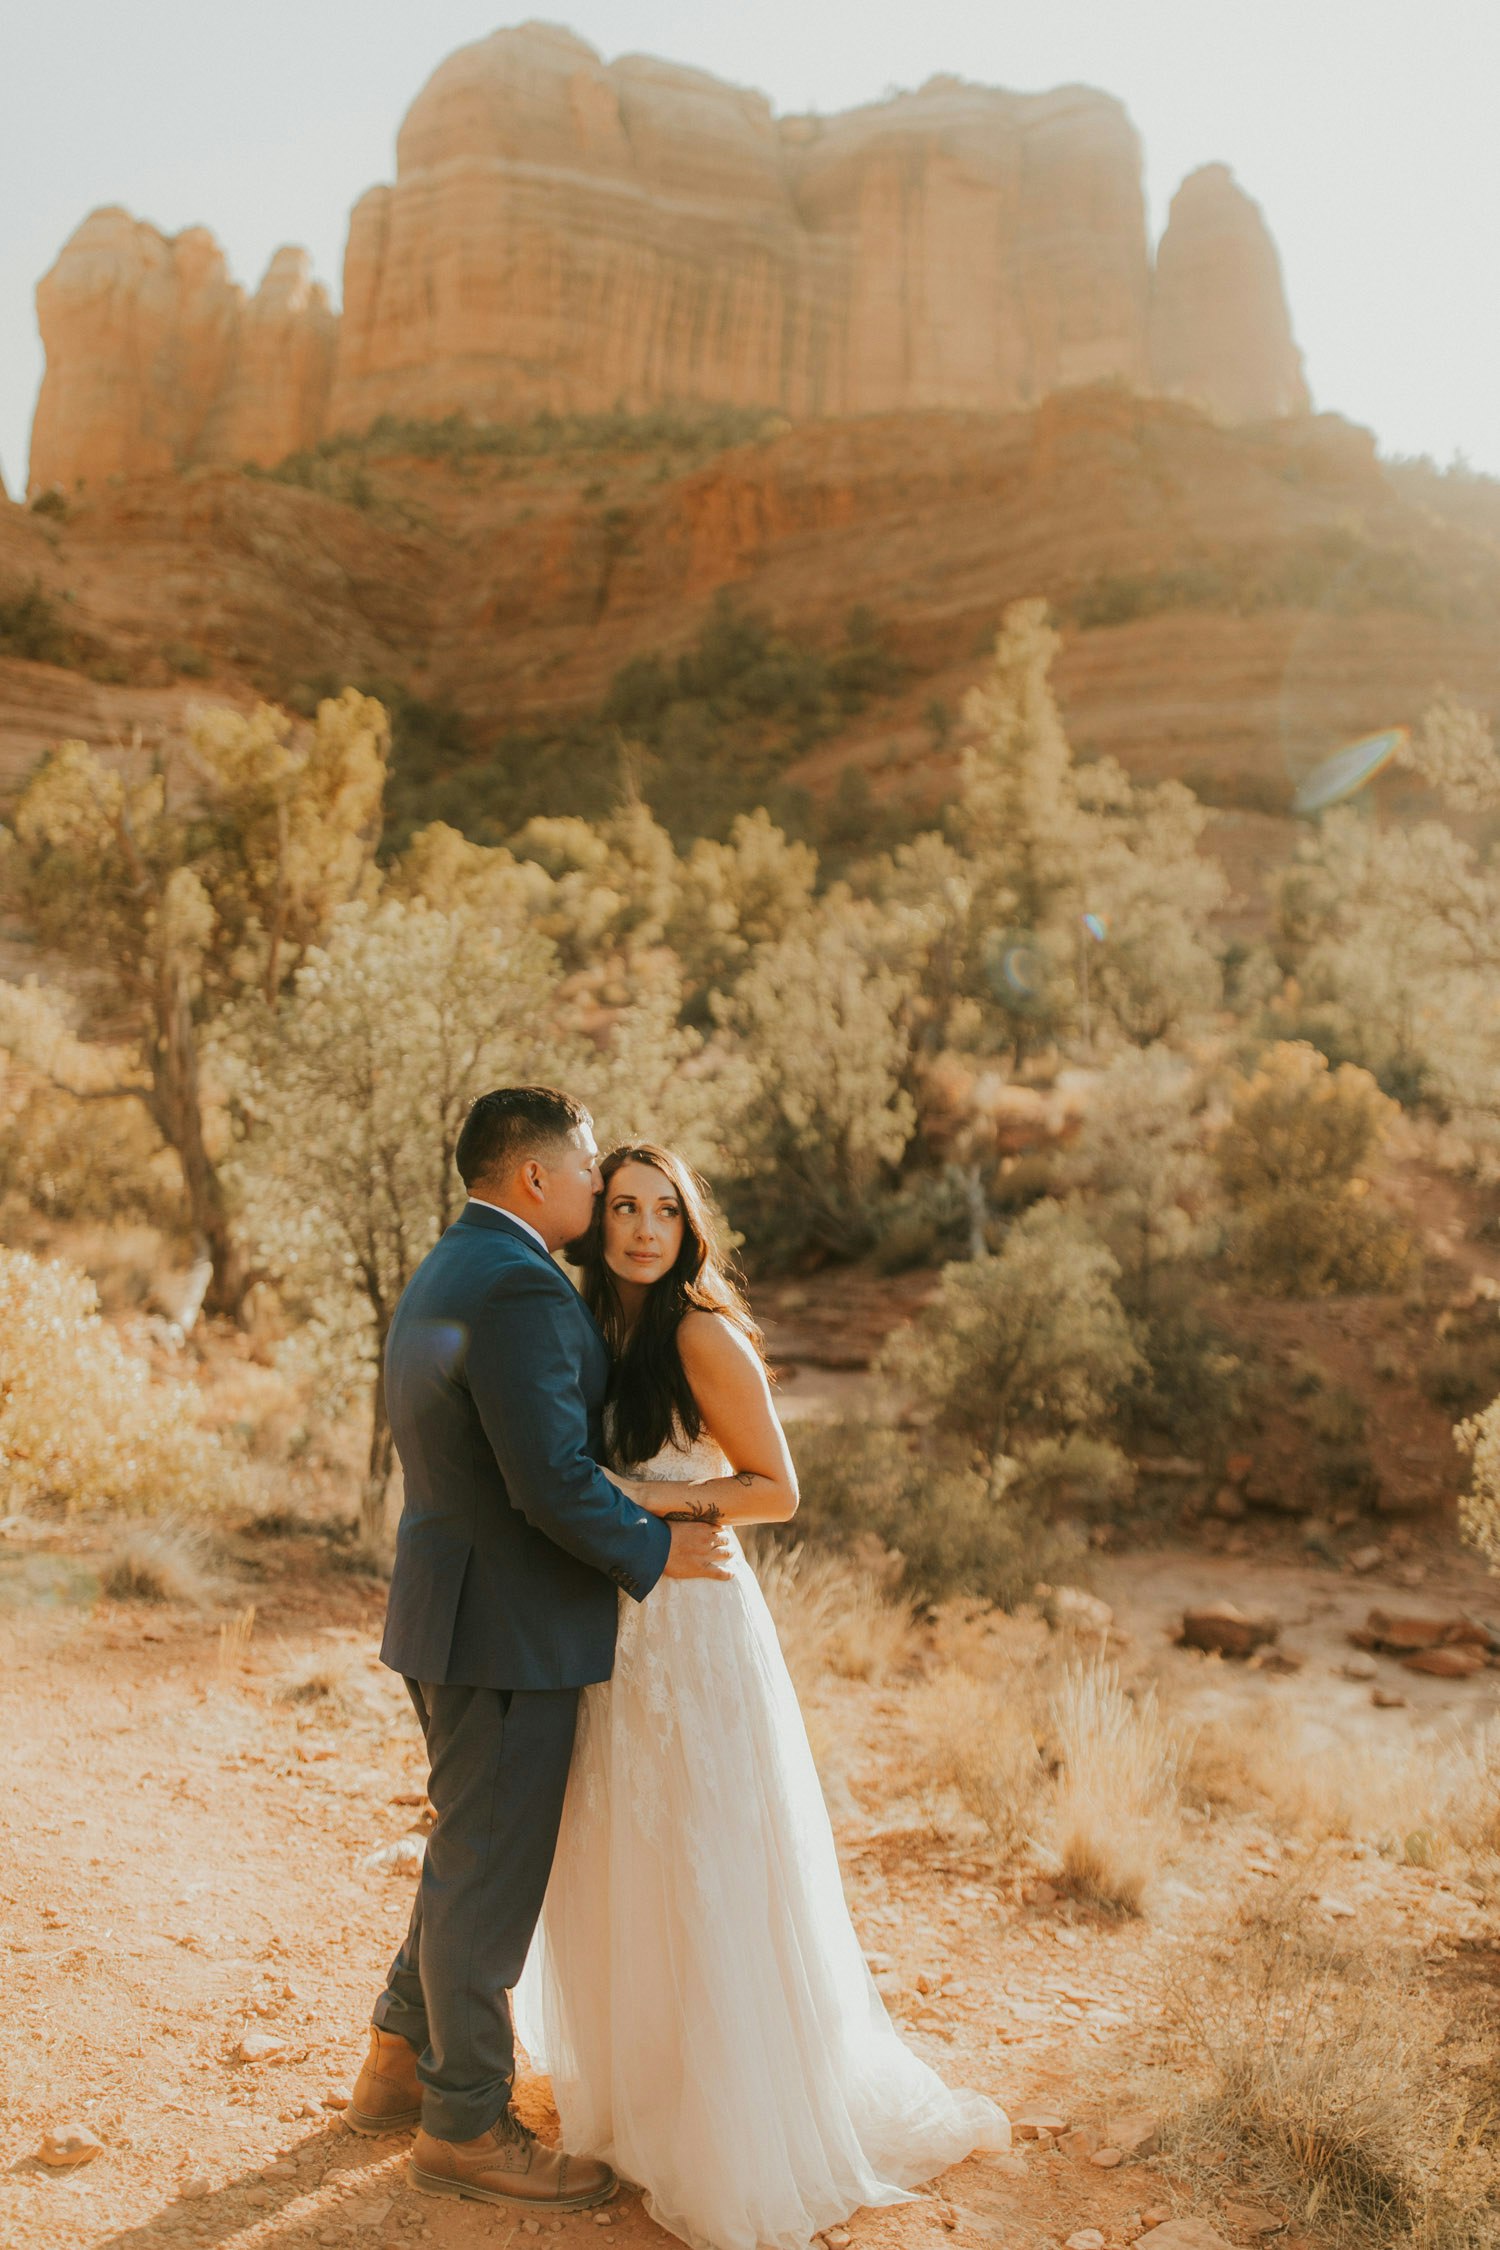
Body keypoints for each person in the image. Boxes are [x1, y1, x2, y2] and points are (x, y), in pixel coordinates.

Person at [515, 1141, 1009, 2250]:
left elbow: (778, 1490)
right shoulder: (595, 1327)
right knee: (623, 1852)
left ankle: (728, 2130)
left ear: (692, 1229)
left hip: (693, 1630)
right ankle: (644, 2101)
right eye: (625, 1208)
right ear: (598, 1222)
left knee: (706, 1855)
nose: (643, 1230)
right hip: (617, 1627)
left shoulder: (699, 1331)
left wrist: (630, 1497)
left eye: (665, 1212)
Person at [345, 1089, 736, 2216]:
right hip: (506, 1628)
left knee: (472, 1845)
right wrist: (657, 1549)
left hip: (459, 1611)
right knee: (490, 1867)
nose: (591, 1185)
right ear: (534, 1180)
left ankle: (395, 2062)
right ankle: (464, 2121)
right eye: (581, 1170)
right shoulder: (517, 1284)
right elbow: (548, 1481)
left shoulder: (457, 1262)